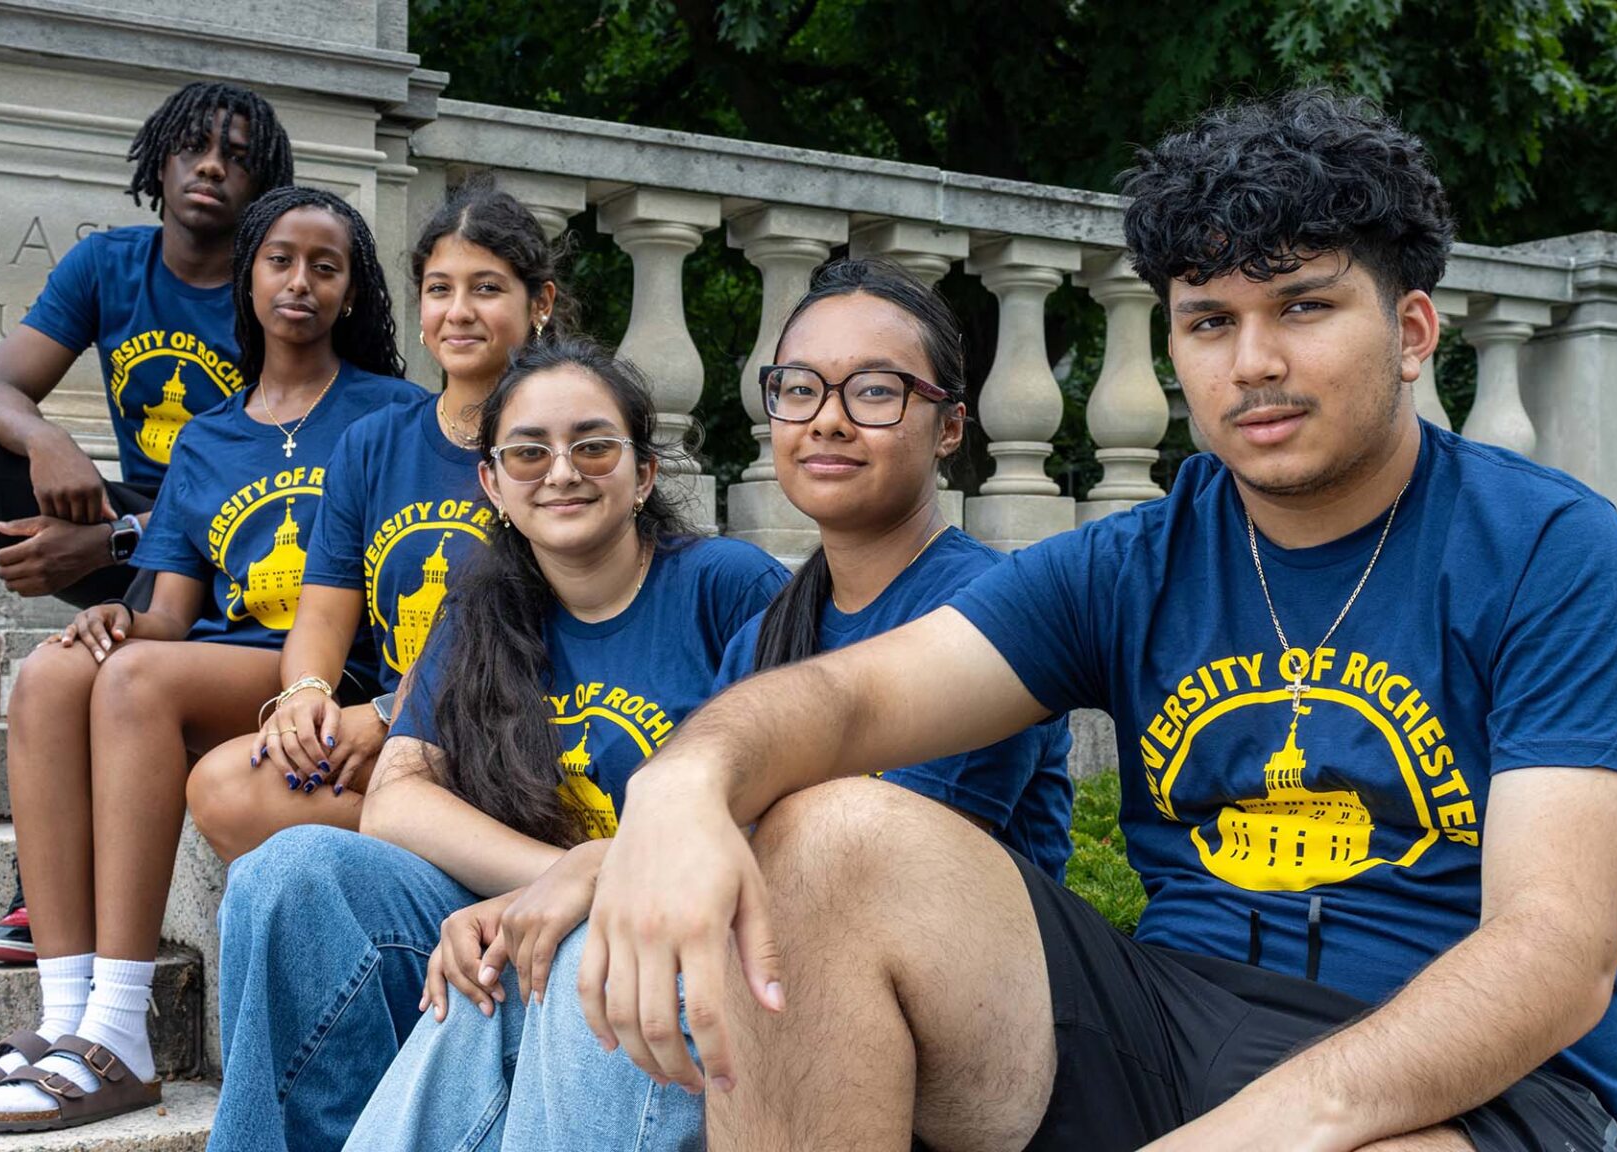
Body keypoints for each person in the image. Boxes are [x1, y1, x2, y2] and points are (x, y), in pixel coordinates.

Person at [578, 90, 1617, 1152]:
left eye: (1302, 307)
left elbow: (1554, 951)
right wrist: (686, 782)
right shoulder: (1135, 561)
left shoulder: (1543, 546)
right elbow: (851, 694)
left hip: (1486, 1083)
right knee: (821, 840)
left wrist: (1258, 1132)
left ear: (1413, 329)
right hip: (1172, 1019)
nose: (1253, 364)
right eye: (1209, 321)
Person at [337, 257, 1079, 1151]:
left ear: (951, 425)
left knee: (600, 950)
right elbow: (684, 837)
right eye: (800, 390)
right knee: (503, 964)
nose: (829, 419)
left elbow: (862, 879)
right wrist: (569, 882)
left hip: (968, 1017)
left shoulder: (983, 614)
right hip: (790, 987)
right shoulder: (776, 628)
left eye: (875, 392)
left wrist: (588, 876)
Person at [205, 338, 789, 1152]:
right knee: (287, 874)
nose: (561, 471)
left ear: (643, 473)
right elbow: (397, 800)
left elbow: (791, 811)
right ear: (492, 483)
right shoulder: (480, 607)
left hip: (678, 933)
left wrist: (601, 883)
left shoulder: (729, 588)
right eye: (527, 452)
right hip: (512, 911)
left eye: (593, 445)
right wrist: (551, 883)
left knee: (593, 942)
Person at [0, 186, 416, 1134]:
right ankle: (69, 1017)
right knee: (56, 672)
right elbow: (171, 614)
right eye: (280, 260)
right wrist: (109, 625)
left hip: (326, 671)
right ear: (249, 278)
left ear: (353, 292)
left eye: (326, 265)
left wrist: (141, 655)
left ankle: (123, 1032)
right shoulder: (210, 436)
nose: (301, 282)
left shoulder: (389, 413)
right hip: (214, 658)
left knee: (140, 678)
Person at [0, 80, 292, 969]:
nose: (213, 166)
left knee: (112, 637)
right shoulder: (108, 268)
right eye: (196, 147)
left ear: (264, 187)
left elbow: (276, 476)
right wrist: (47, 438)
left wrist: (115, 543)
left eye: (240, 157)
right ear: (161, 162)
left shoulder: (269, 295)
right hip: (135, 520)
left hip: (231, 552)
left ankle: (62, 873)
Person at [186, 176, 566, 860]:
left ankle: (474, 854)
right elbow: (326, 612)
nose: (459, 311)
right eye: (441, 289)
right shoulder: (376, 441)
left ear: (539, 303)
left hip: (512, 722)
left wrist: (392, 714)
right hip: (403, 740)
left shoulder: (557, 443)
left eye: (487, 288)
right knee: (224, 785)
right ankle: (463, 860)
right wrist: (304, 694)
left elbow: (546, 623)